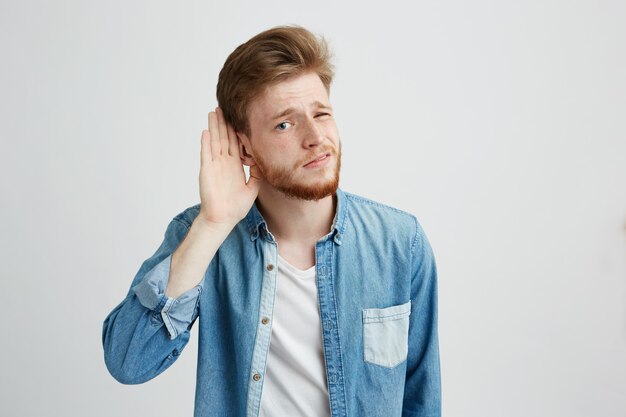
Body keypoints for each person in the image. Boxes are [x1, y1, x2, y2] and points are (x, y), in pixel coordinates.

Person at [102, 25, 441, 417]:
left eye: (321, 113)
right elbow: (127, 361)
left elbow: (421, 398)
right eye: (285, 123)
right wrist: (213, 224)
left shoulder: (402, 243)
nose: (315, 137)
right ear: (244, 148)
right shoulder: (204, 236)